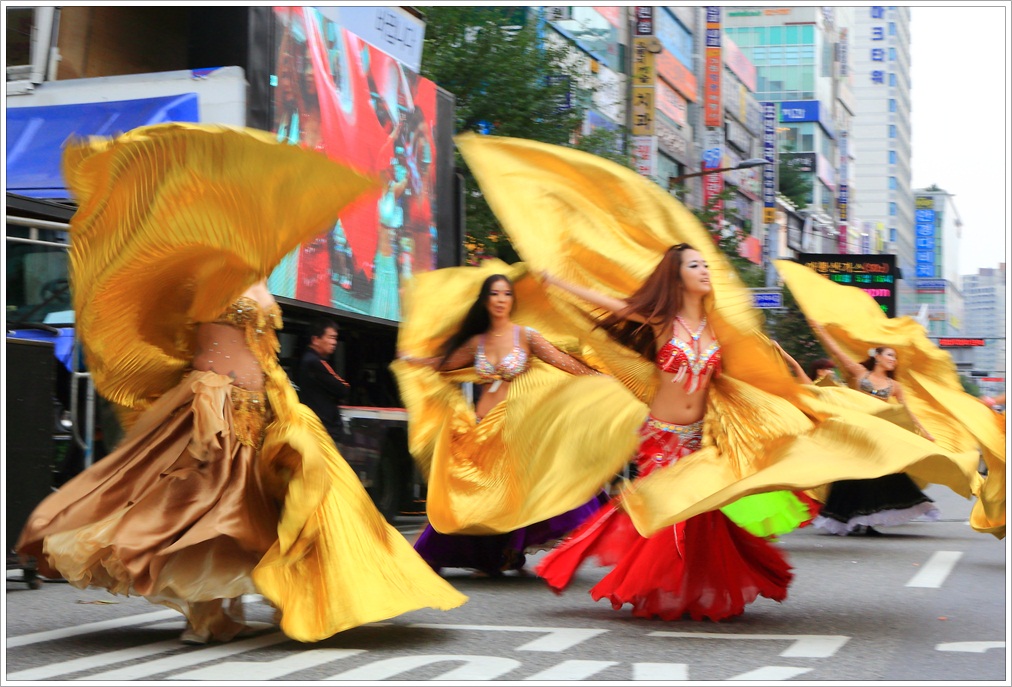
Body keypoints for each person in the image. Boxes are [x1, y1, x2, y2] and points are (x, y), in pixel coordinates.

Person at [15, 123, 466, 646]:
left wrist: (279, 398)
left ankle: (283, 597)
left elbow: (262, 346)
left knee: (261, 507)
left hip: (264, 403)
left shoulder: (260, 275)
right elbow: (171, 323)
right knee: (206, 508)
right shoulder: (203, 268)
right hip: (214, 405)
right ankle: (207, 615)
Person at [533, 244, 794, 621]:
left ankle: (691, 588)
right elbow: (609, 305)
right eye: (694, 265)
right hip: (663, 437)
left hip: (700, 436)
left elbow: (743, 372)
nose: (704, 270)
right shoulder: (663, 321)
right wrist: (557, 282)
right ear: (677, 277)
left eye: (705, 265)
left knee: (701, 515)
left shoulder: (716, 326)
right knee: (666, 512)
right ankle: (655, 583)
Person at [397, 272, 615, 576]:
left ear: (512, 301)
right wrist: (413, 360)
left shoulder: (526, 336)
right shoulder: (477, 343)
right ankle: (481, 552)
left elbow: (562, 361)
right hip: (482, 428)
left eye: (506, 294)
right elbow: (442, 364)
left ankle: (505, 551)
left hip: (513, 425)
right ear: (485, 301)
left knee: (515, 491)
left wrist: (600, 378)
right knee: (474, 493)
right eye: (495, 294)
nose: (501, 300)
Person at [805, 321, 940, 536]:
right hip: (855, 431)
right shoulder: (860, 373)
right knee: (850, 477)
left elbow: (907, 413)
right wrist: (820, 331)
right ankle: (851, 519)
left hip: (877, 434)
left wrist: (926, 433)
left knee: (879, 477)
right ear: (877, 356)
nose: (893, 360)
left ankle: (867, 522)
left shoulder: (895, 386)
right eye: (890, 355)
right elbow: (837, 353)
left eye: (895, 357)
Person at [298, 317, 350, 447]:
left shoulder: (306, 360)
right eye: (331, 337)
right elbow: (342, 389)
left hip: (314, 429)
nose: (334, 342)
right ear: (316, 340)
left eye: (335, 338)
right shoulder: (315, 362)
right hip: (324, 432)